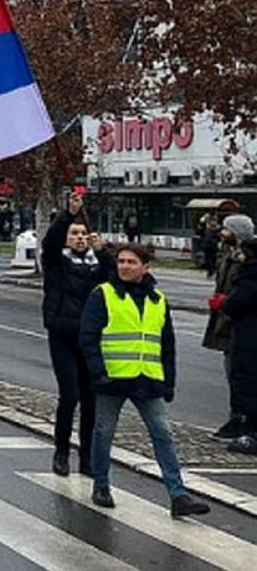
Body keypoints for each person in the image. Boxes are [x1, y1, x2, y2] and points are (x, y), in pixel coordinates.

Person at [80, 241, 210, 516]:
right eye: (121, 261)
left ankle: (178, 495)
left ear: (145, 267)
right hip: (113, 378)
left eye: (131, 262)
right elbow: (88, 338)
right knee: (103, 432)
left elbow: (167, 344)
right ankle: (101, 485)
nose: (125, 266)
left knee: (163, 433)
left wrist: (169, 381)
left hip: (147, 379)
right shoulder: (103, 294)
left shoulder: (158, 300)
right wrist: (98, 373)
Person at [41, 191, 114, 475]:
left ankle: (87, 457)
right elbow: (50, 242)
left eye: (84, 234)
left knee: (91, 400)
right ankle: (61, 451)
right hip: (63, 335)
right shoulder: (56, 262)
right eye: (74, 234)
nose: (80, 238)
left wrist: (104, 252)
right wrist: (68, 214)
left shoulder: (97, 265)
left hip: (90, 339)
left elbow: (114, 279)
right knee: (69, 395)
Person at [206, 215, 253, 440]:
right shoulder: (227, 253)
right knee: (232, 369)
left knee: (239, 373)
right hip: (226, 318)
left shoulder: (246, 258)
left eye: (226, 229)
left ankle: (241, 419)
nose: (222, 233)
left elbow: (244, 289)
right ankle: (237, 417)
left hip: (238, 319)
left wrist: (227, 301)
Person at [218, 231, 257, 453]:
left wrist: (225, 303)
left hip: (249, 338)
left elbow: (235, 304)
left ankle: (251, 433)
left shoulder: (250, 277)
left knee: (247, 382)